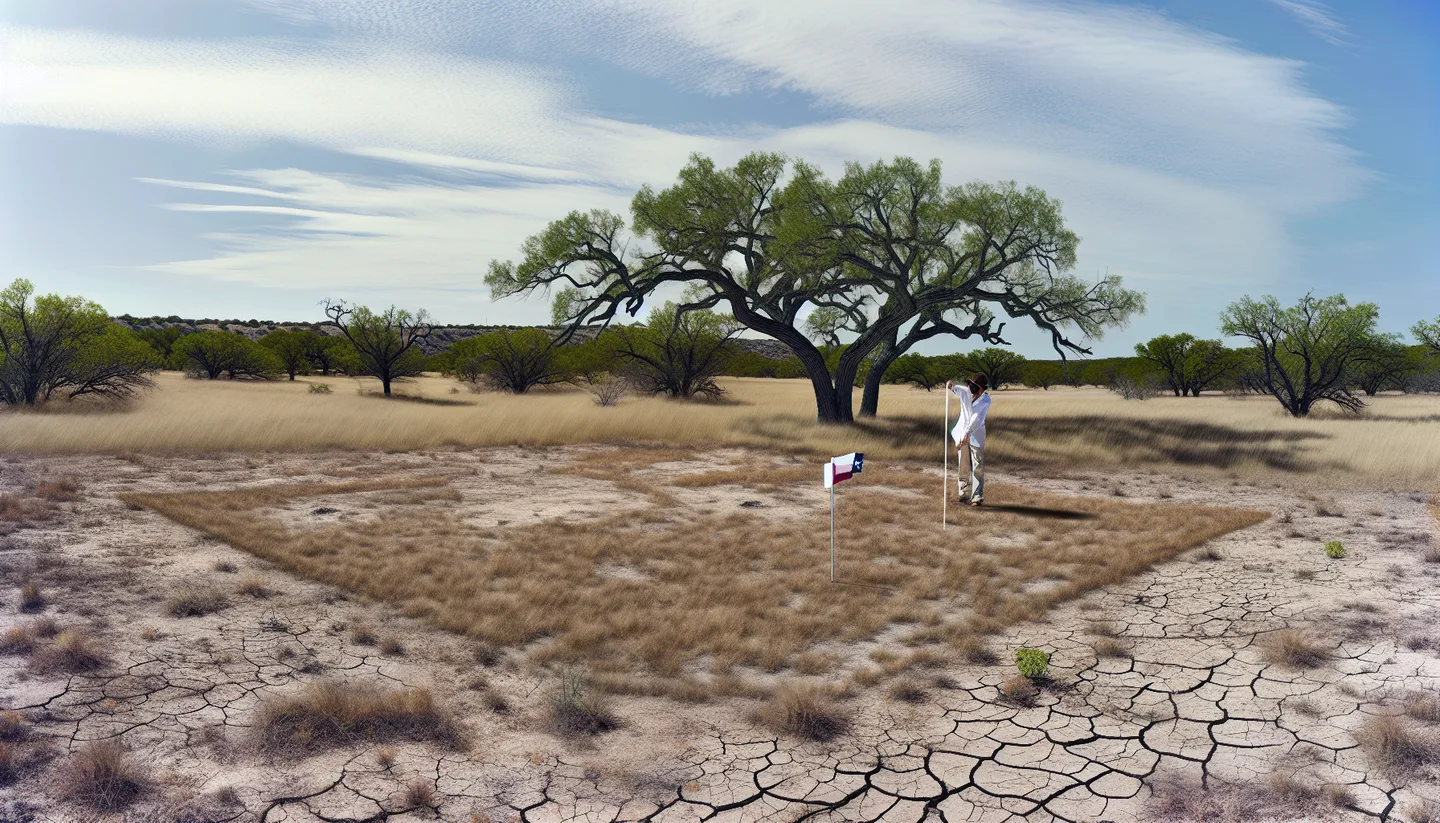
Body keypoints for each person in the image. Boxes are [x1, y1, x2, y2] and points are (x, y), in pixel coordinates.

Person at [946, 374, 991, 506]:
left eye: (974, 386)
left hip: (976, 433)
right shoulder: (966, 391)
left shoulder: (986, 400)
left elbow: (976, 418)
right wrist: (950, 385)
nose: (971, 387)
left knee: (977, 464)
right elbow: (955, 388)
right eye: (970, 384)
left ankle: (977, 497)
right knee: (963, 462)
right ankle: (964, 494)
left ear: (982, 389)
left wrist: (967, 436)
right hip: (961, 431)